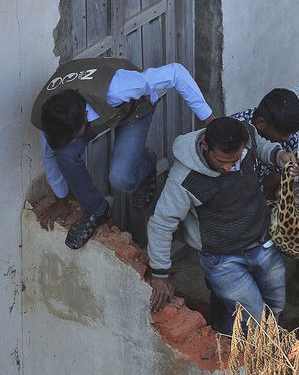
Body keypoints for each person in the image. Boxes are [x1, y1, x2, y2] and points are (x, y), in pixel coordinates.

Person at [31, 58, 213, 250]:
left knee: (121, 178)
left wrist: (209, 119)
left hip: (134, 109)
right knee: (65, 153)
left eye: (74, 136)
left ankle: (147, 162)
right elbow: (50, 154)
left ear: (85, 117)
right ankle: (97, 210)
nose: (74, 142)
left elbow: (176, 72)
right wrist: (61, 198)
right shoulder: (49, 116)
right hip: (91, 107)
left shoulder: (119, 88)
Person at [147, 117, 299, 334]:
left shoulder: (245, 134)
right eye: (221, 161)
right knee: (255, 321)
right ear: (205, 146)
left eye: (235, 160)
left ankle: (251, 339)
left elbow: (260, 146)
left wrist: (278, 155)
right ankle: (242, 355)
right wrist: (160, 274)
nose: (229, 168)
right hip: (222, 260)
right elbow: (162, 223)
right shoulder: (185, 178)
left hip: (261, 243)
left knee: (275, 305)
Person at [231, 88, 299, 197]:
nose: (287, 138)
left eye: (289, 133)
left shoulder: (289, 138)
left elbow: (277, 176)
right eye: (283, 133)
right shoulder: (234, 131)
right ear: (261, 123)